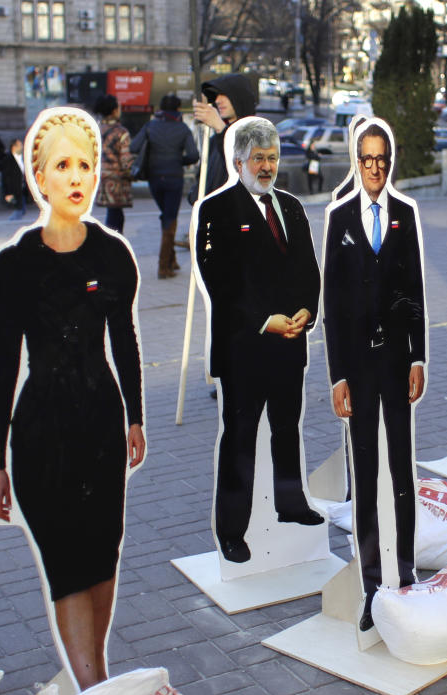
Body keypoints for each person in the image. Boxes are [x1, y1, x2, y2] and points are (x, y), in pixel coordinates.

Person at [0, 108, 145, 689]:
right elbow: (2, 371)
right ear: (39, 177)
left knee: (103, 555)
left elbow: (124, 340)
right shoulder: (14, 268)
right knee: (68, 565)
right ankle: (97, 690)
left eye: (85, 164)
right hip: (41, 437)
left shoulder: (111, 255)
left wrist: (138, 417)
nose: (76, 177)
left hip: (102, 428)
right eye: (61, 166)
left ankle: (94, 683)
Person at [195, 118, 323, 565]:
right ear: (238, 162)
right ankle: (232, 530)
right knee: (240, 440)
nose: (266, 166)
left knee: (288, 430)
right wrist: (263, 320)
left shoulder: (290, 206)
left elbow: (309, 267)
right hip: (244, 349)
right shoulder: (216, 210)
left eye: (271, 157)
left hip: (290, 343)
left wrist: (308, 309)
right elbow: (220, 284)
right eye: (258, 159)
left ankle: (291, 504)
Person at [323, 120, 426, 632]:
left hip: (395, 365)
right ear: (355, 160)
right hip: (358, 371)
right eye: (366, 159)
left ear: (391, 161)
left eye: (382, 159)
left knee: (401, 472)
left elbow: (415, 293)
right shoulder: (339, 218)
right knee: (364, 477)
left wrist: (418, 358)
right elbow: (332, 305)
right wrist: (337, 375)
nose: (374, 168)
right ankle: (369, 585)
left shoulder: (404, 216)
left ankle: (404, 574)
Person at [131, 93, 199, 278]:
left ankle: (172, 259)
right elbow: (194, 155)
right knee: (170, 218)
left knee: (166, 217)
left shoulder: (150, 126)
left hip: (154, 178)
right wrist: (179, 160)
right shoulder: (183, 128)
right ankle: (163, 266)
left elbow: (133, 147)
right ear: (178, 109)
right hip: (174, 178)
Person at [192, 73, 259, 199]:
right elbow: (202, 180)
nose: (218, 100)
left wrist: (220, 127)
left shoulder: (256, 135)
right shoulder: (214, 140)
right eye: (217, 95)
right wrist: (196, 196)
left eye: (224, 95)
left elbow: (243, 170)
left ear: (239, 97)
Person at [94, 94, 134, 234]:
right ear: (114, 110)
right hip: (117, 182)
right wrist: (133, 173)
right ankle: (114, 250)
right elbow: (126, 161)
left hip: (100, 180)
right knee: (116, 218)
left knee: (113, 215)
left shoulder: (94, 131)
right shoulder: (121, 132)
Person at [1, 138, 27, 221]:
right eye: (20, 145)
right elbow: (6, 177)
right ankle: (10, 222)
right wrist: (8, 193)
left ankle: (13, 222)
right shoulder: (8, 160)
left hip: (22, 188)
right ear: (14, 147)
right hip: (14, 189)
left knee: (22, 209)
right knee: (19, 209)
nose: (22, 147)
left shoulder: (22, 158)